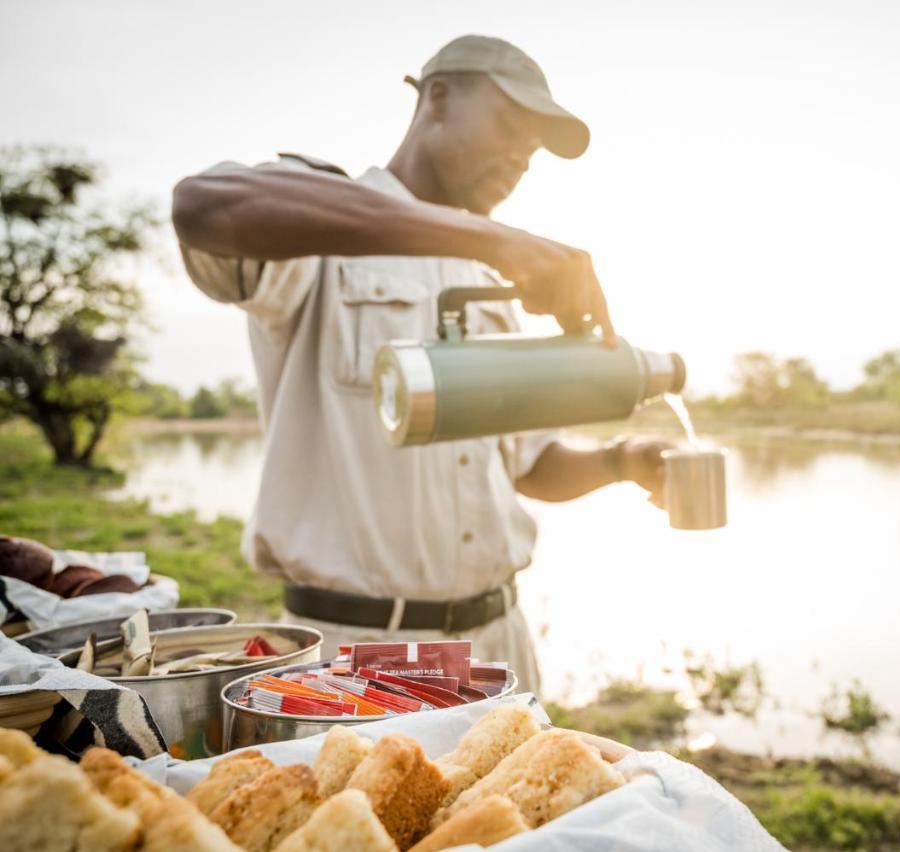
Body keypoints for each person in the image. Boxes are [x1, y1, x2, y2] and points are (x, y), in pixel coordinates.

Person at [171, 35, 671, 694]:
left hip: (500, 641)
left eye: (537, 145)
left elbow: (528, 464)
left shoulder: (488, 276)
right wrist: (494, 238)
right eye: (512, 124)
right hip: (369, 652)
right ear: (437, 97)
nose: (524, 155)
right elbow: (204, 206)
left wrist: (622, 461)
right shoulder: (320, 228)